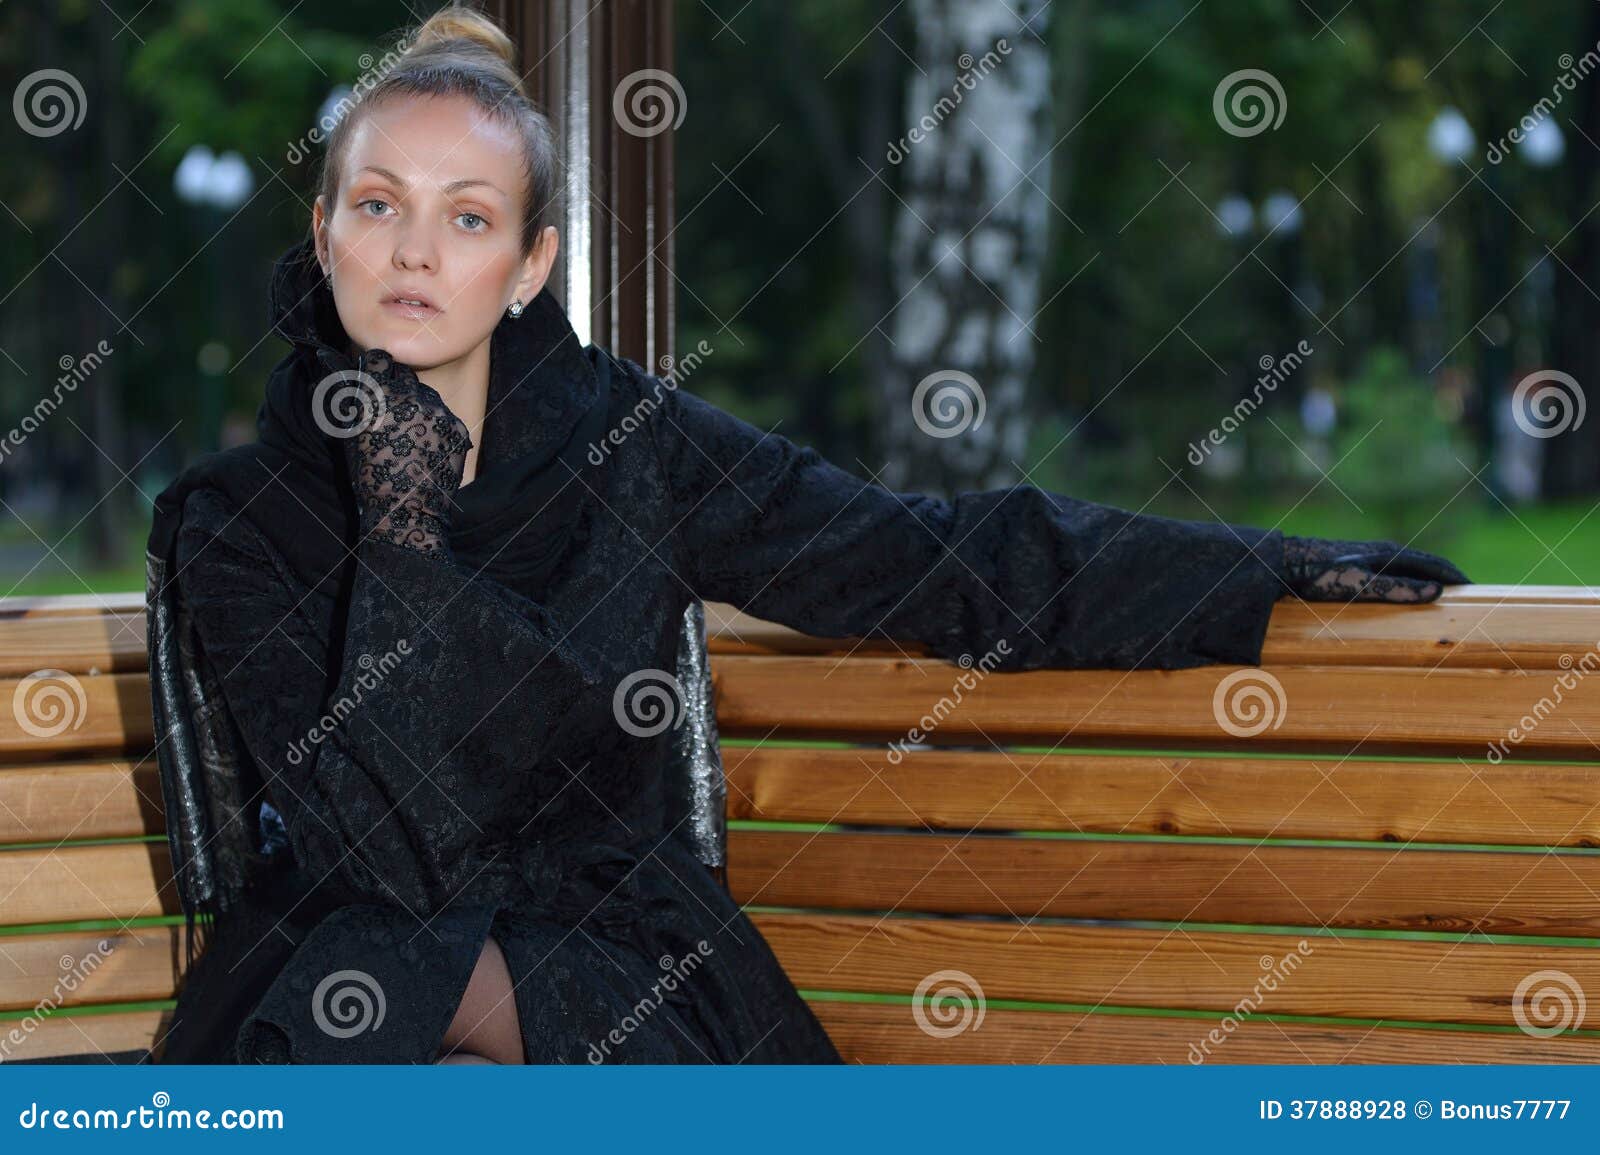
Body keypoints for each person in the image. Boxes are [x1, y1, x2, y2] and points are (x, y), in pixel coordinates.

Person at [146, 6, 1469, 1065]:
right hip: (348, 978)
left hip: (609, 960)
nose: (414, 253)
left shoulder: (635, 446)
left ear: (533, 263)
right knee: (381, 987)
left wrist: (1241, 570)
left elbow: (924, 557)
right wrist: (402, 522)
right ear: (324, 236)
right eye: (377, 206)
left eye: (469, 217)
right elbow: (392, 850)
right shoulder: (237, 523)